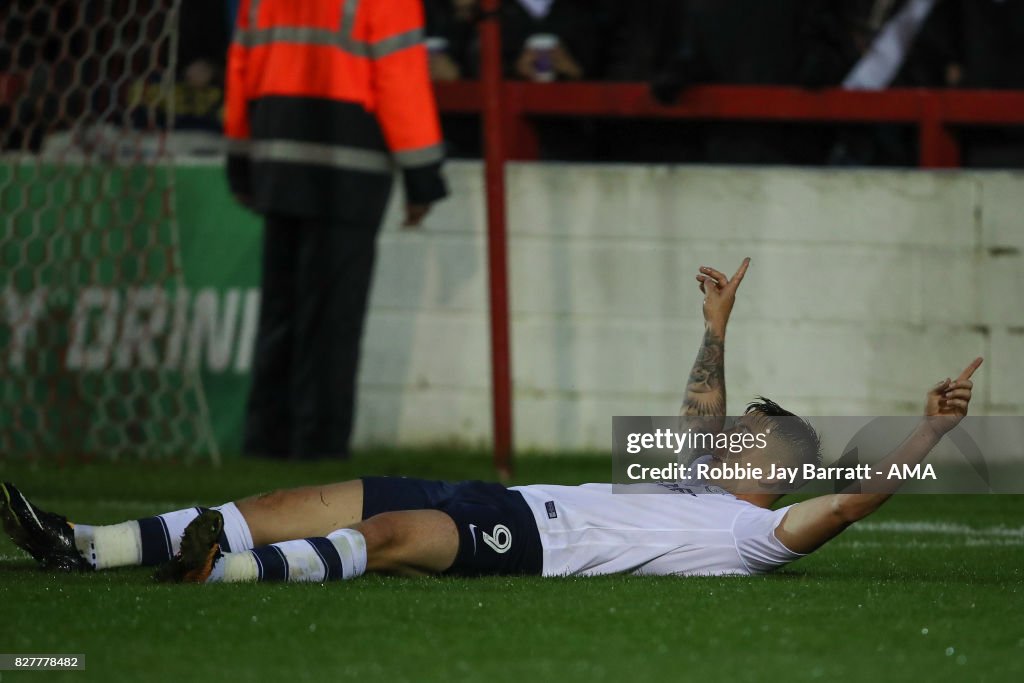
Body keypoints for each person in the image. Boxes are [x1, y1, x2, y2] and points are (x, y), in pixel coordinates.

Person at [1, 259, 982, 582]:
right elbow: (699, 403)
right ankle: (88, 544)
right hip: (507, 495)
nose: (732, 425)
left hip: (535, 543)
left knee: (392, 537)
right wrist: (717, 326)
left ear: (775, 461)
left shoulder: (750, 530)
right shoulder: (688, 473)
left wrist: (923, 436)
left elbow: (847, 506)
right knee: (294, 497)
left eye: (756, 425)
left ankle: (220, 570)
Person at [226, 0, 448, 460]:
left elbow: (241, 64)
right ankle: (318, 448)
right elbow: (399, 79)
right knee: (332, 321)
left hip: (277, 153)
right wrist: (422, 174)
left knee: (280, 315)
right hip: (351, 166)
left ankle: (265, 444)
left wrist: (239, 155)